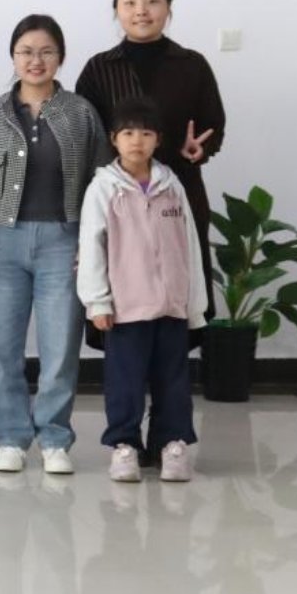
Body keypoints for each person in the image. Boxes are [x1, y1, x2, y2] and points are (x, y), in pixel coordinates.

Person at [0, 15, 109, 476]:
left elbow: (101, 183)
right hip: (2, 242)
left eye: (46, 51)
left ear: (60, 57)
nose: (35, 60)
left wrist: (93, 244)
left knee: (60, 347)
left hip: (62, 243)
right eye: (26, 51)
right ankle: (10, 438)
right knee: (2, 348)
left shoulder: (81, 113)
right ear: (13, 57)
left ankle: (54, 438)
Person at [76, 0, 225, 334]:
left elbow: (213, 125)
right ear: (116, 10)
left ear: (169, 7)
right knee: (122, 291)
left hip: (178, 192)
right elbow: (86, 135)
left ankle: (175, 365)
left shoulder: (192, 65)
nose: (141, 10)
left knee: (180, 289)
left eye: (152, 1)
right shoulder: (98, 69)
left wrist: (200, 149)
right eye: (129, 2)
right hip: (119, 198)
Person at [78, 96, 206, 484]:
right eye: (128, 133)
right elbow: (91, 247)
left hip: (171, 306)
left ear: (158, 140)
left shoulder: (172, 186)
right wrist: (97, 301)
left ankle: (171, 443)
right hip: (125, 308)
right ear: (114, 139)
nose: (137, 141)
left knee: (174, 380)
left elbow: (189, 245)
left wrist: (194, 304)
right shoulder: (103, 189)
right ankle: (125, 445)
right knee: (125, 381)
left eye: (146, 134)